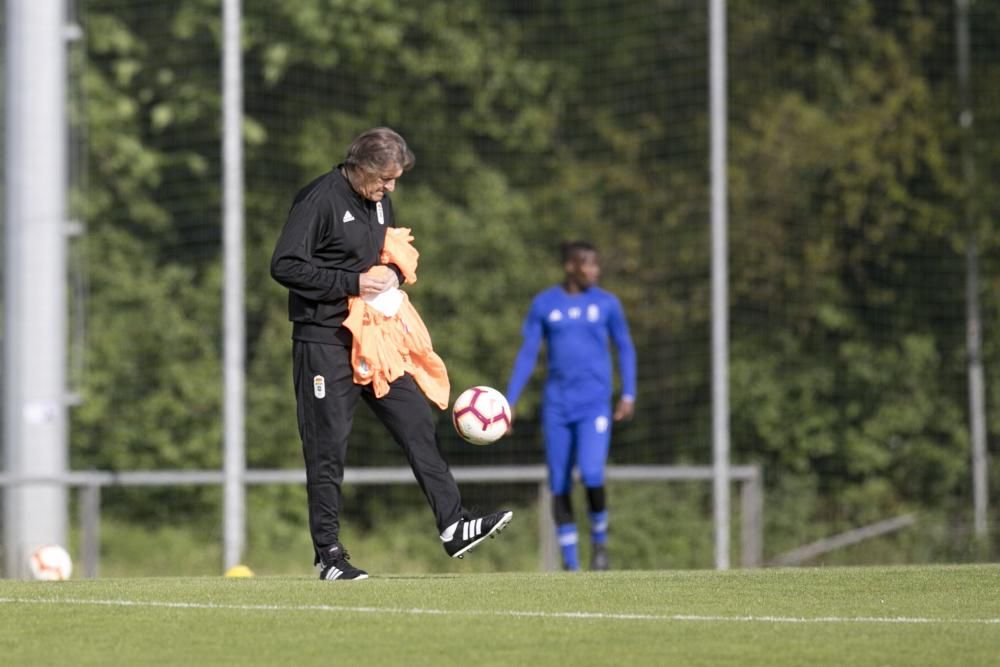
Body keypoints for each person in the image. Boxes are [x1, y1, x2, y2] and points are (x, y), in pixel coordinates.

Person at [271, 127, 512, 581]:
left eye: (395, 179)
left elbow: (388, 250)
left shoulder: (379, 199)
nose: (390, 188)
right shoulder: (319, 199)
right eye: (384, 179)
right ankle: (329, 556)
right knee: (327, 450)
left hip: (373, 339)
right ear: (358, 166)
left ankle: (454, 524)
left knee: (416, 419)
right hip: (323, 342)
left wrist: (394, 274)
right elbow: (283, 264)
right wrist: (352, 283)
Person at [505, 241, 636, 571]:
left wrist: (628, 393)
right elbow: (527, 354)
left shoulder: (607, 304)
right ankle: (571, 565)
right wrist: (509, 401)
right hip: (557, 407)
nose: (594, 270)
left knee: (592, 473)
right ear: (569, 267)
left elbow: (625, 347)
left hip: (594, 405)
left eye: (596, 264)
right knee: (559, 482)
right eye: (587, 264)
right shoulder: (545, 304)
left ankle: (600, 543)